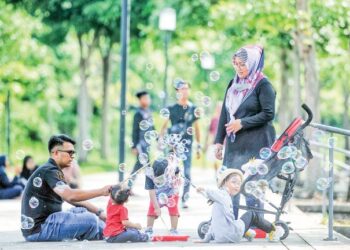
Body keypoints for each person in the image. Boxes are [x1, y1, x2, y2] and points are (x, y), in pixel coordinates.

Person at [214, 45, 276, 219]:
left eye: (242, 64)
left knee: (252, 186)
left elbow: (269, 113)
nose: (238, 68)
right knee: (230, 183)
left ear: (254, 63)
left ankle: (254, 222)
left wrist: (243, 122)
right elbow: (225, 114)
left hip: (256, 144)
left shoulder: (263, 84)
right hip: (235, 145)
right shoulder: (233, 84)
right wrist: (219, 141)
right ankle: (230, 221)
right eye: (235, 63)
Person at [21, 134, 112, 241]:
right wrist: (101, 191)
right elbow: (70, 196)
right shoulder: (50, 170)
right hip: (40, 229)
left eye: (73, 153)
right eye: (70, 152)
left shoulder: (53, 170)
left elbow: (76, 201)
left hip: (50, 221)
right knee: (90, 220)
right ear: (56, 153)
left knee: (81, 211)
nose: (73, 156)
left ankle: (112, 229)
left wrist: (101, 213)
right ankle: (108, 233)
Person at [196, 169, 282, 243]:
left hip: (219, 238)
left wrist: (206, 239)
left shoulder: (219, 201)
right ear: (224, 182)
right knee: (251, 214)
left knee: (236, 221)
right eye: (233, 182)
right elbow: (213, 193)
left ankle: (247, 233)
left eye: (239, 183)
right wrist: (204, 190)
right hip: (232, 235)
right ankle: (273, 230)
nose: (237, 185)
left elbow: (215, 222)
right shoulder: (222, 195)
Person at [159, 80, 201, 208]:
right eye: (182, 89)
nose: (185, 91)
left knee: (187, 172)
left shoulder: (193, 108)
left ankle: (185, 199)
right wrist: (160, 141)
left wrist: (199, 146)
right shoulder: (171, 109)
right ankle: (170, 196)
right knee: (171, 171)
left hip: (187, 144)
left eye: (187, 88)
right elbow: (164, 127)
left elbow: (197, 128)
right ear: (177, 91)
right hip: (173, 145)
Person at [144, 157, 181, 236]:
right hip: (157, 194)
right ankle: (149, 229)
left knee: (173, 209)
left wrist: (177, 180)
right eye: (157, 176)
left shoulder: (172, 168)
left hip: (171, 191)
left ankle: (174, 229)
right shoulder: (149, 174)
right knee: (152, 209)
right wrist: (156, 207)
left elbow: (177, 171)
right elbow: (151, 192)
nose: (160, 179)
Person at [130, 91, 155, 190]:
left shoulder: (149, 111)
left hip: (147, 144)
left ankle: (128, 187)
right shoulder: (138, 113)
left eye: (148, 98)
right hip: (140, 144)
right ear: (140, 100)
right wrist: (134, 146)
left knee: (139, 165)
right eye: (145, 98)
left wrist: (158, 138)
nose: (148, 100)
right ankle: (153, 188)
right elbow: (135, 130)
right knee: (145, 165)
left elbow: (152, 127)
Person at [204, 102, 223, 172]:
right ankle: (217, 174)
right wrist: (207, 143)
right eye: (218, 108)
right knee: (215, 160)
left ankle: (221, 174)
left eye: (220, 108)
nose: (219, 109)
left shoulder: (226, 119)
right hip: (214, 142)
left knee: (221, 161)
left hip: (223, 143)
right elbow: (210, 132)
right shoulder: (214, 120)